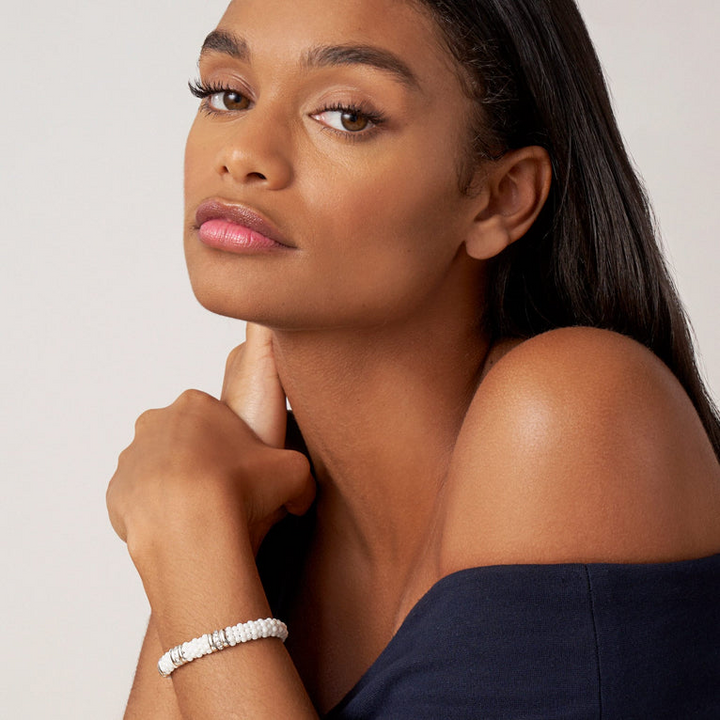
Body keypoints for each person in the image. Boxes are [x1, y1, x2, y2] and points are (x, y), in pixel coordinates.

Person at [106, 0, 720, 717]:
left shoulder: (570, 414)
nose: (242, 152)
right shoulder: (252, 503)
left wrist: (188, 544)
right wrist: (215, 526)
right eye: (228, 94)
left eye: (345, 114)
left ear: (500, 199)